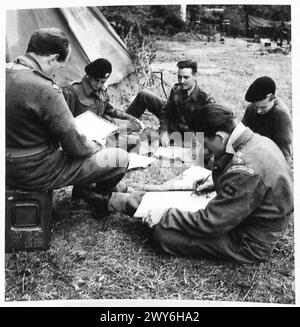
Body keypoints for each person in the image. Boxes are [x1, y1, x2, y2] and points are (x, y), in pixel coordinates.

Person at [6, 28, 140, 218]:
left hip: (7, 165)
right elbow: (76, 147)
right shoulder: (45, 88)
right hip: (34, 170)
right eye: (60, 66)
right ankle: (96, 197)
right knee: (119, 158)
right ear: (52, 58)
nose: (59, 71)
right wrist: (96, 146)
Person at [144, 104, 293, 263]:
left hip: (250, 241)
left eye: (206, 144)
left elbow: (211, 222)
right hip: (258, 220)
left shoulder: (244, 168)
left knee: (163, 234)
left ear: (220, 137)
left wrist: (166, 215)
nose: (206, 150)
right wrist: (219, 182)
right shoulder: (257, 140)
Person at [126, 59, 216, 146]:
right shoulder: (176, 89)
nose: (181, 81)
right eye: (179, 77)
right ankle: (120, 125)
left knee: (146, 136)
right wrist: (163, 131)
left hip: (187, 134)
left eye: (186, 77)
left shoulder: (205, 98)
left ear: (195, 75)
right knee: (144, 95)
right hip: (174, 123)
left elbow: (212, 127)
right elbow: (166, 111)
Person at [63, 58, 143, 152]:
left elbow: (111, 111)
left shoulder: (101, 91)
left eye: (103, 82)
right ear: (89, 76)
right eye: (97, 81)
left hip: (103, 132)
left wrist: (132, 119)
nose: (99, 85)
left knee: (136, 131)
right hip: (85, 140)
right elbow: (66, 123)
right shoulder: (73, 91)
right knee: (133, 140)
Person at [242, 76, 292, 164]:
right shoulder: (251, 109)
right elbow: (241, 134)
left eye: (263, 107)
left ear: (271, 97)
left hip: (272, 159)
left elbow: (284, 154)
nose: (258, 111)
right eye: (255, 106)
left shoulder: (281, 115)